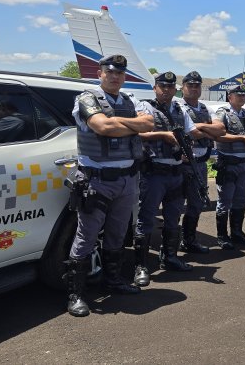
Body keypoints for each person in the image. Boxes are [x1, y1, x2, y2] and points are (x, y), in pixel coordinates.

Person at [65, 54, 154, 317]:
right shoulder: (86, 98)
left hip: (127, 179)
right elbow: (102, 126)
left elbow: (149, 123)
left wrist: (118, 124)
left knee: (117, 233)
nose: (115, 76)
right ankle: (76, 294)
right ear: (100, 73)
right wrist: (128, 125)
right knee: (87, 236)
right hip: (97, 180)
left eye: (119, 73)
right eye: (110, 72)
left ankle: (113, 281)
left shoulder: (131, 100)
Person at [134, 71, 204, 286]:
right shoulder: (146, 107)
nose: (166, 90)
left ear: (175, 89)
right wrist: (163, 135)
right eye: (162, 86)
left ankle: (170, 257)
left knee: (173, 217)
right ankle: (141, 266)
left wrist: (186, 146)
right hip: (154, 172)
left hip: (176, 172)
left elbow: (192, 132)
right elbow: (138, 133)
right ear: (155, 88)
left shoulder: (179, 109)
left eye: (170, 87)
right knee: (146, 218)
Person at [175, 71, 226, 254]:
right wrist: (207, 130)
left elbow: (221, 129)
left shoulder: (205, 108)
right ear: (183, 88)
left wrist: (201, 127)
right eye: (190, 85)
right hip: (181, 164)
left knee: (196, 203)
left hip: (200, 164)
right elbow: (190, 132)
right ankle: (171, 246)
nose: (194, 88)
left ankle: (189, 240)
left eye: (197, 85)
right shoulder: (177, 107)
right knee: (175, 205)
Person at [212, 84, 245, 249]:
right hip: (228, 163)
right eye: (238, 95)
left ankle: (237, 233)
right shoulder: (222, 113)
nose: (242, 97)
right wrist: (241, 138)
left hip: (244, 164)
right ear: (229, 97)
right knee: (225, 200)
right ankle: (222, 236)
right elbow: (218, 135)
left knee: (240, 199)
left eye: (244, 95)